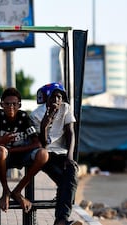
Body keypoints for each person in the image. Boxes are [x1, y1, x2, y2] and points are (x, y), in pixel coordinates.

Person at [30, 82, 82, 225]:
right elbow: (42, 144)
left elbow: (71, 133)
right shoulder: (36, 115)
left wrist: (69, 157)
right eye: (53, 97)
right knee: (66, 182)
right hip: (44, 153)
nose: (57, 101)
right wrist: (45, 125)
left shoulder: (66, 108)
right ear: (46, 98)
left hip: (62, 152)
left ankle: (61, 220)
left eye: (60, 97)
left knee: (71, 171)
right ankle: (61, 220)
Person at [0, 87, 48, 213]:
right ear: (1, 104)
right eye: (7, 104)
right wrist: (2, 141)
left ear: (19, 105)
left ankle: (17, 191)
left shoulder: (23, 117)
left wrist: (13, 150)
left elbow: (37, 143)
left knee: (43, 154)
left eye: (14, 104)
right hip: (3, 156)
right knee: (0, 151)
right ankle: (6, 191)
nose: (11, 107)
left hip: (20, 154)